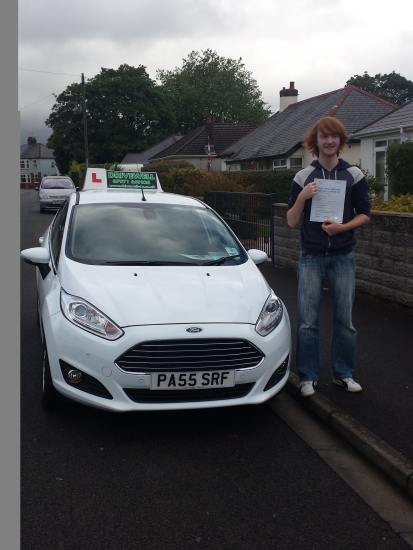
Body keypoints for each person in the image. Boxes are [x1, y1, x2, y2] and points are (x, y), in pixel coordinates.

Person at [287, 117, 370, 397]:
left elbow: (365, 214)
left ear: (340, 141)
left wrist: (342, 228)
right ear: (316, 142)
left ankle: (343, 374)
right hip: (311, 256)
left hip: (343, 257)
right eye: (324, 137)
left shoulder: (354, 175)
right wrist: (303, 197)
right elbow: (290, 221)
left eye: (334, 136)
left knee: (344, 320)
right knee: (307, 321)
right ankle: (308, 377)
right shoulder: (302, 177)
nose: (329, 141)